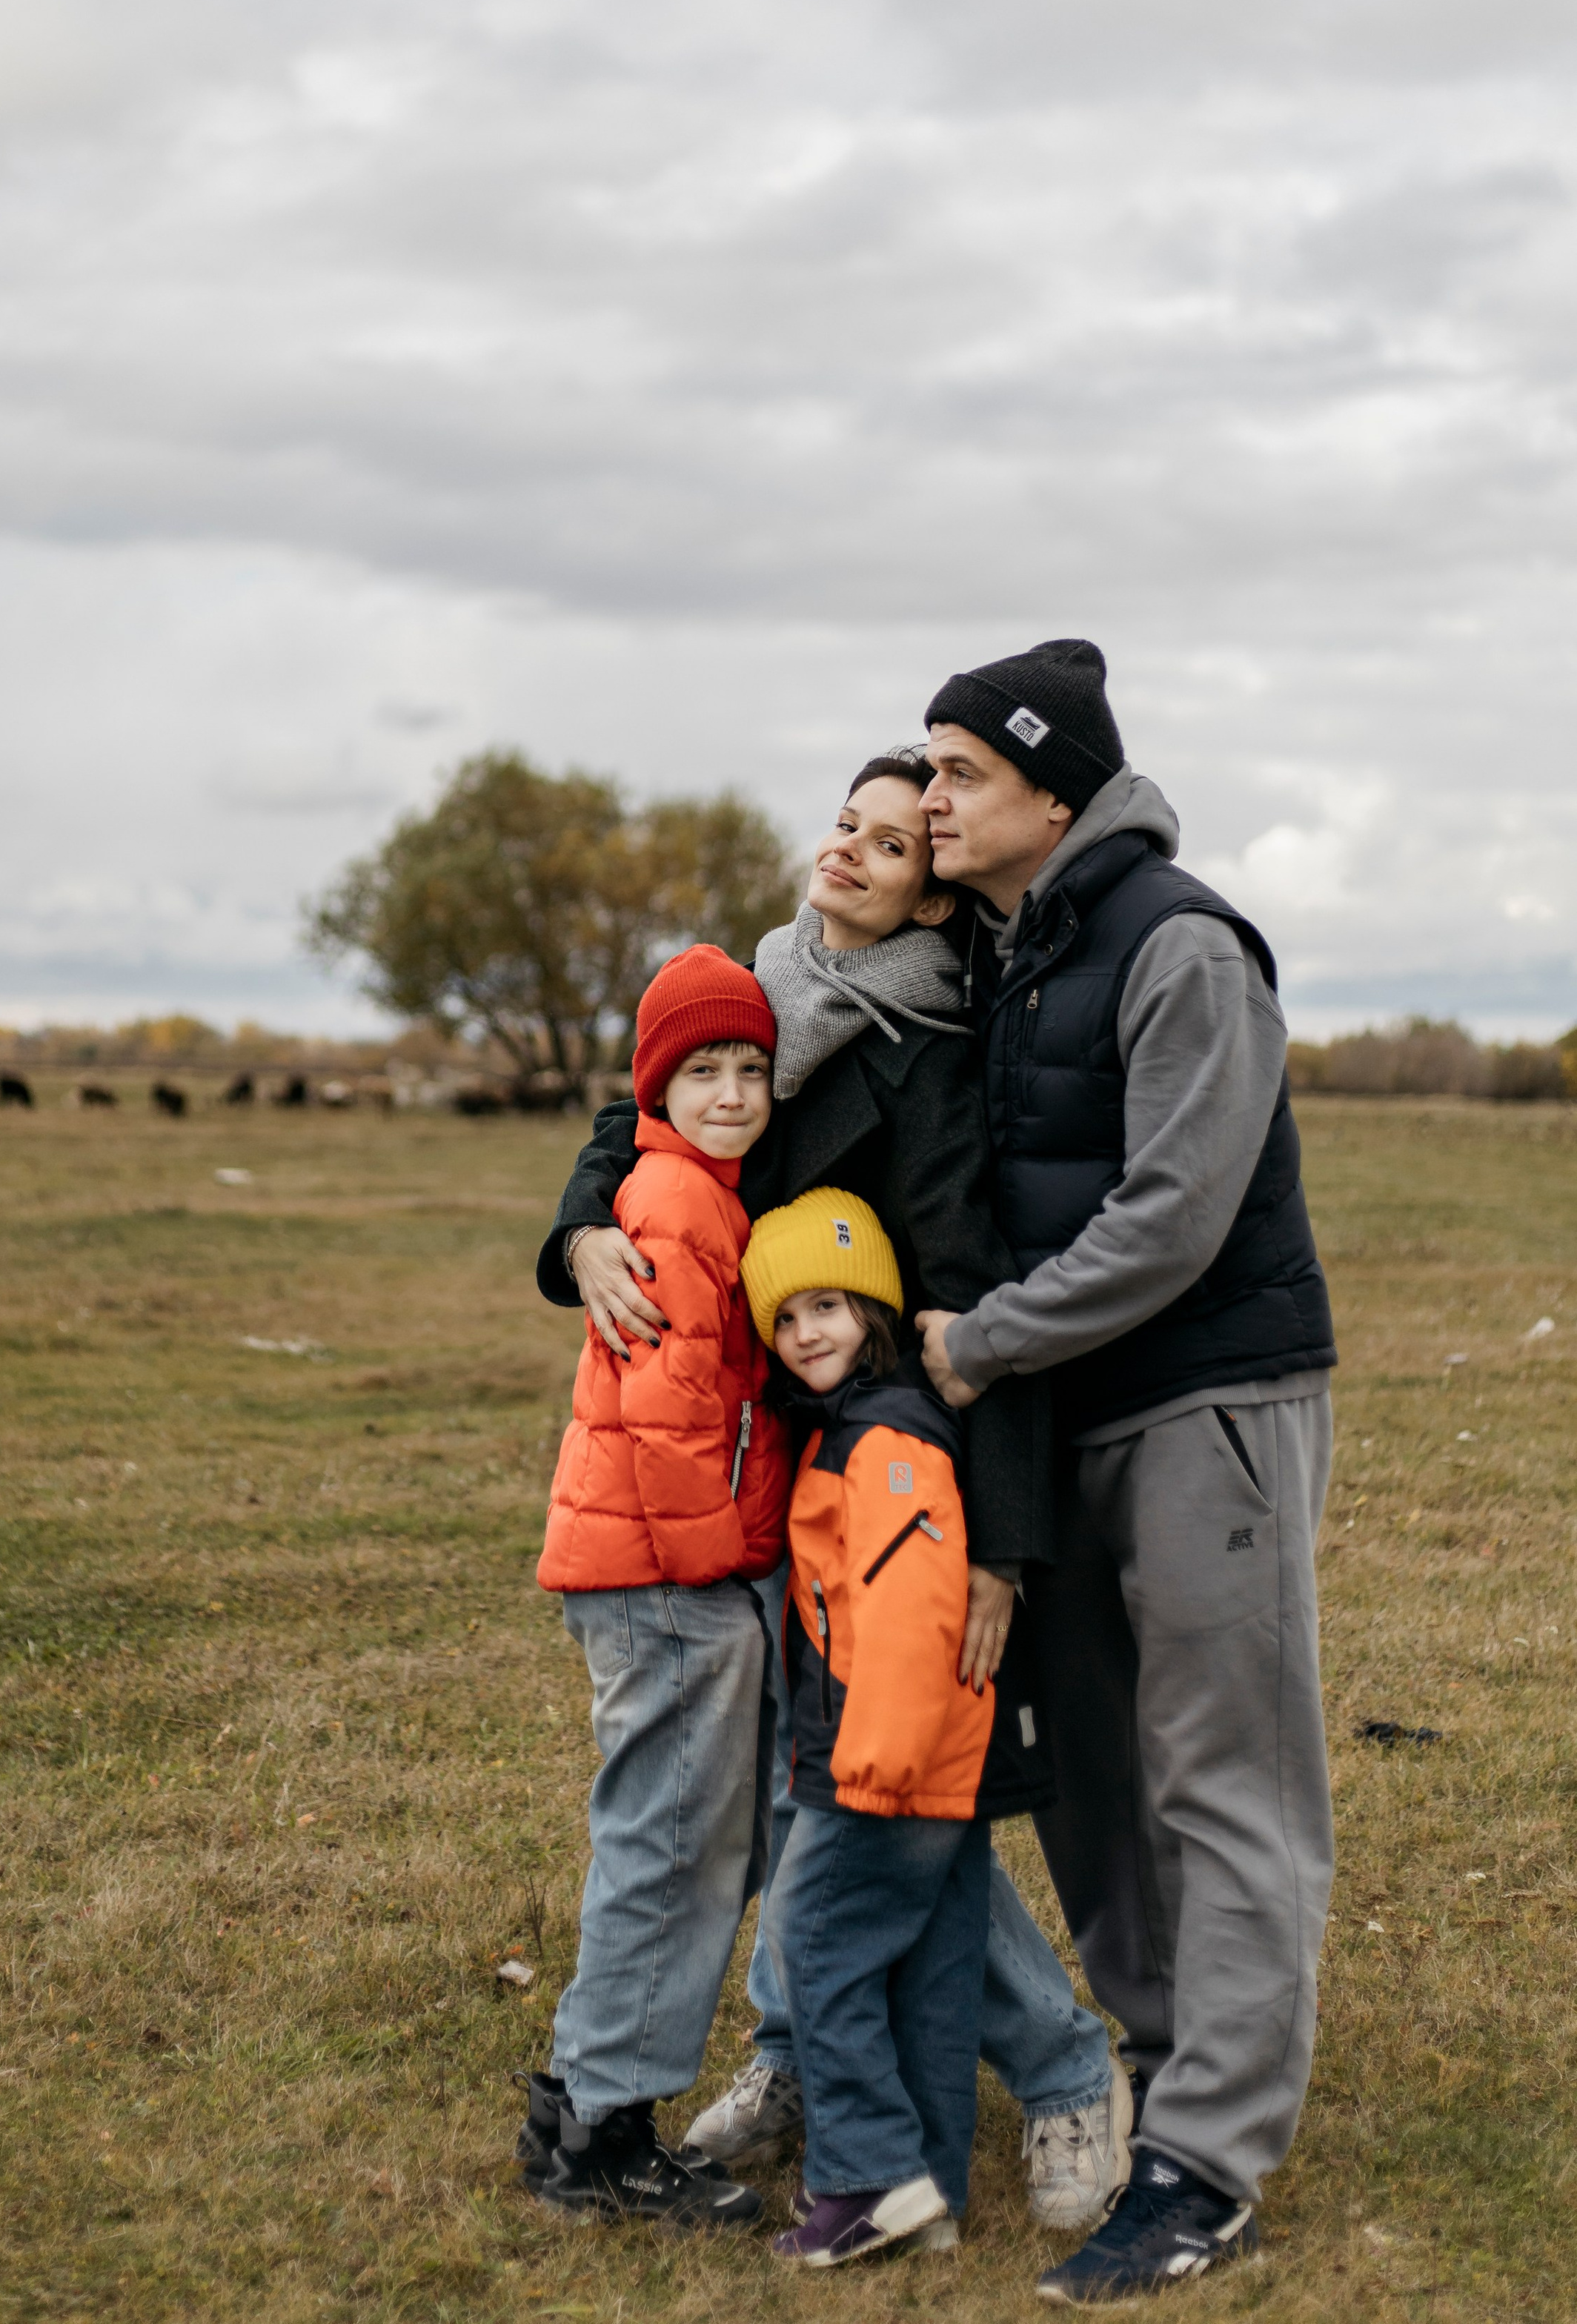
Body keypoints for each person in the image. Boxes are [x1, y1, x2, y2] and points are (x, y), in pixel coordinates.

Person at [537, 752, 1132, 2233]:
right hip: (760, 1481)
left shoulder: (931, 1059)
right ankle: (804, 2056)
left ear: (931, 899)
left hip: (884, 1465)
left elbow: (982, 1304)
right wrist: (579, 1233)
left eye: (891, 844)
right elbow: (636, 1117)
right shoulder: (762, 992)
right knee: (816, 1798)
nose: (850, 852)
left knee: (890, 1798)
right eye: (844, 825)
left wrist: (994, 1544)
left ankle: (1064, 2071)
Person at [914, 637, 1337, 2307]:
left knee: (1223, 1777)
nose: (929, 797)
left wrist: (982, 1342)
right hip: (1060, 1421)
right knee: (1090, 1774)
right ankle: (1169, 2069)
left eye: (960, 771)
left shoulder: (1180, 945)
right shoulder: (1002, 954)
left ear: (1054, 792)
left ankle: (1206, 2167)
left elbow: (1172, 1214)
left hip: (1204, 1400)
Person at [522, 943, 794, 2227]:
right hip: (669, 1573)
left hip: (658, 1566)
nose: (732, 1093)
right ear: (655, 1089)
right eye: (703, 1072)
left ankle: (584, 2103)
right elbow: (671, 1412)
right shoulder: (680, 1202)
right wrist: (718, 1570)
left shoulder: (699, 1187)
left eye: (751, 1070)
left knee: (679, 1834)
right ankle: (601, 2133)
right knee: (672, 1839)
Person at [742, 1189, 1042, 2265]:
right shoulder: (859, 1430)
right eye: (785, 1317)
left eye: (829, 1305)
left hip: (887, 1763)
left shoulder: (887, 1442)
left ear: (874, 1311)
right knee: (933, 1971)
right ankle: (930, 2191)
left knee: (817, 1943)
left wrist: (873, 1765)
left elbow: (916, 1614)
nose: (806, 1331)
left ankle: (865, 2178)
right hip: (917, 1763)